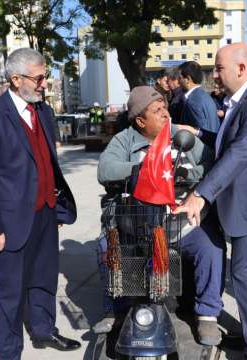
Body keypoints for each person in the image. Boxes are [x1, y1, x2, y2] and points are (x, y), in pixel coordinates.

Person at [175, 43, 247, 359]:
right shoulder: (242, 101)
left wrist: (200, 193)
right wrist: (199, 132)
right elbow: (230, 141)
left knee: (246, 277)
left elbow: (241, 151)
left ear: (240, 69)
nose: (215, 74)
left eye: (218, 68)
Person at [0, 48, 80, 359]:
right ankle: (9, 351)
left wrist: (56, 208)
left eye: (45, 76)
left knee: (45, 278)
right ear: (16, 79)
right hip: (10, 222)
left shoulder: (44, 112)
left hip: (45, 214)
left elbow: (48, 163)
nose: (45, 83)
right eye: (40, 77)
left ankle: (44, 331)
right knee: (9, 293)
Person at [95, 86, 224, 345]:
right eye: (157, 111)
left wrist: (191, 175)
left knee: (211, 246)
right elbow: (105, 170)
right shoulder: (125, 140)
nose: (166, 114)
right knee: (106, 246)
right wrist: (148, 167)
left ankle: (207, 315)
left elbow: (210, 162)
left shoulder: (180, 135)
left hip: (180, 220)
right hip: (138, 221)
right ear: (140, 121)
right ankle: (115, 310)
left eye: (165, 107)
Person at [179, 61, 220, 133]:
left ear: (188, 79)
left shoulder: (193, 101)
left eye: (180, 78)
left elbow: (200, 134)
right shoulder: (205, 96)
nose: (178, 81)